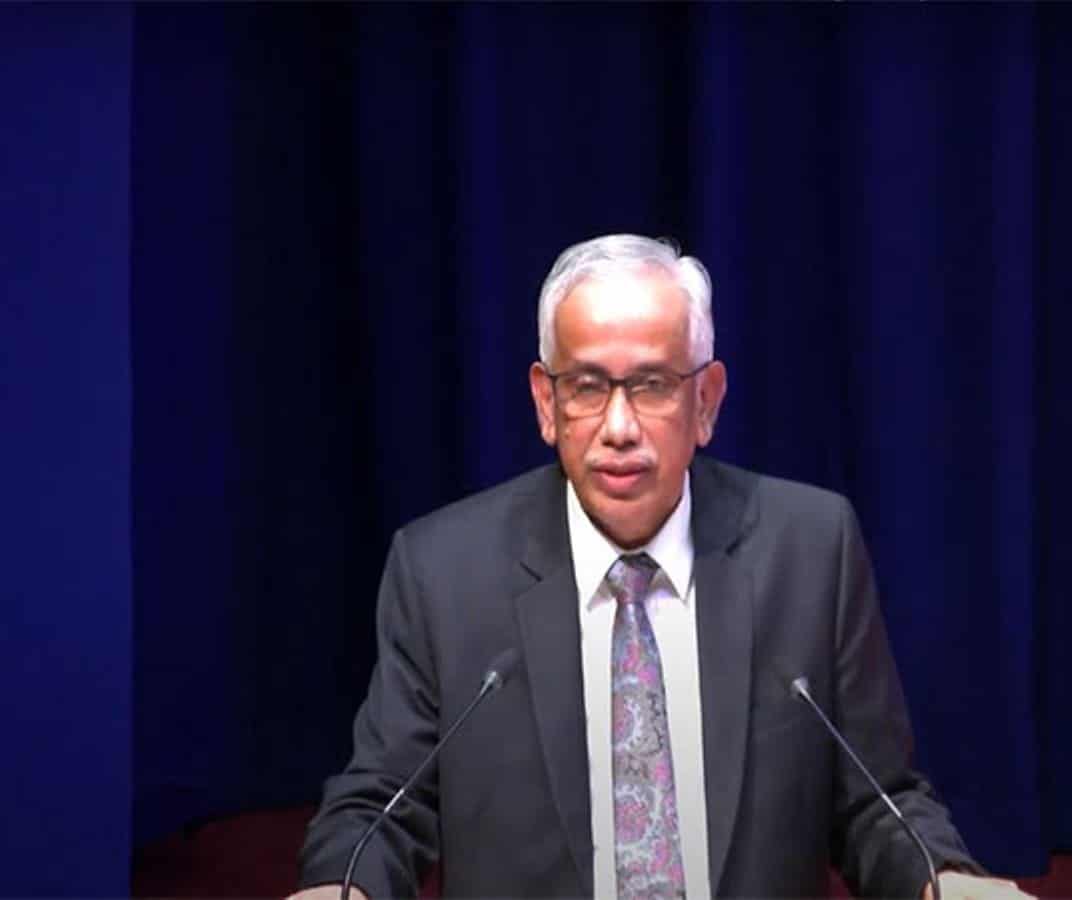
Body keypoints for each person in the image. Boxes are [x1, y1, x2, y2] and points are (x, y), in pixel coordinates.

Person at [292, 235, 1033, 900]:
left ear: (705, 401)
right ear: (546, 403)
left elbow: (877, 800)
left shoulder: (809, 550)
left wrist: (943, 881)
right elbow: (382, 805)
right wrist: (343, 886)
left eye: (651, 386)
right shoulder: (445, 572)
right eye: (587, 387)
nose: (618, 428)